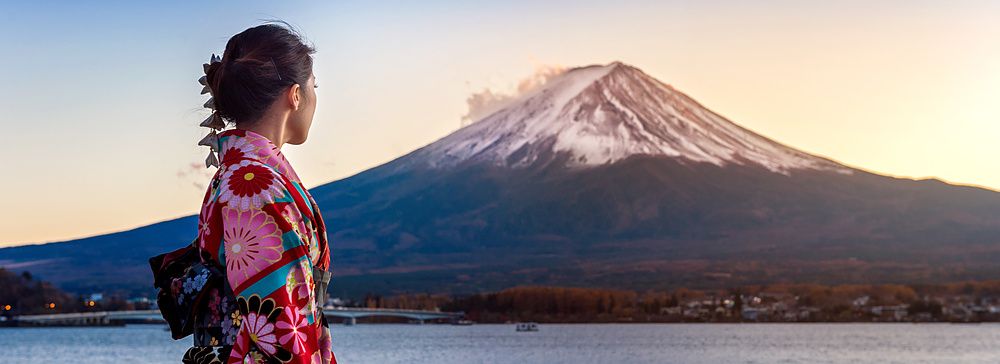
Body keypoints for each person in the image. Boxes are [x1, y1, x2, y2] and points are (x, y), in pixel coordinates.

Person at [183, 22, 336, 364]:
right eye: (315, 86)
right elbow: (280, 327)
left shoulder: (243, 176)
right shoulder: (254, 187)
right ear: (295, 95)